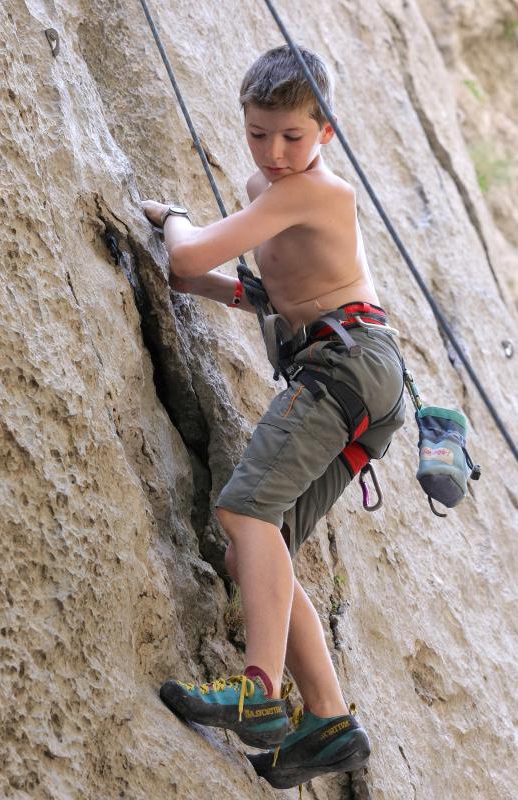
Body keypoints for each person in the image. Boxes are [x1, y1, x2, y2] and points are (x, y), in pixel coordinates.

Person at [142, 44, 405, 789]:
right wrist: (208, 283)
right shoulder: (276, 189)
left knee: (244, 513)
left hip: (342, 367)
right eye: (259, 133)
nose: (275, 151)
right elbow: (279, 296)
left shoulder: (306, 190)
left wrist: (176, 220)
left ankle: (257, 692)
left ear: (326, 131)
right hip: (362, 371)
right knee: (261, 548)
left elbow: (189, 253)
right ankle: (326, 723)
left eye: (292, 135)